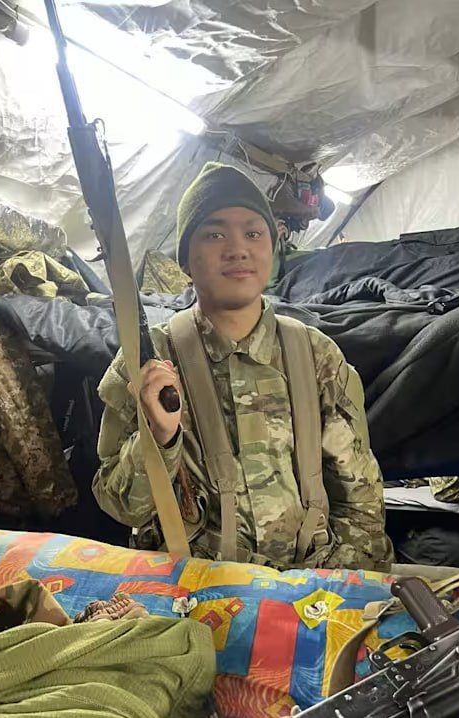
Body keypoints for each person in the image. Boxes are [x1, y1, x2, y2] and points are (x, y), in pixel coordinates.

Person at [93, 162, 393, 571]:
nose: (237, 249)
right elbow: (122, 506)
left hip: (312, 583)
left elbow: (361, 504)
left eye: (253, 233)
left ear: (272, 248)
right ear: (185, 260)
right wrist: (160, 439)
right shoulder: (149, 362)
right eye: (215, 234)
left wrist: (333, 587)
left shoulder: (316, 356)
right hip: (196, 585)